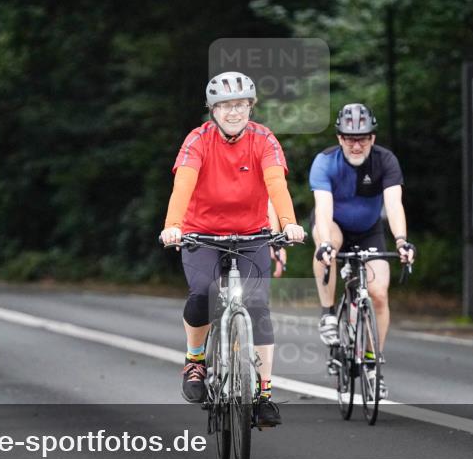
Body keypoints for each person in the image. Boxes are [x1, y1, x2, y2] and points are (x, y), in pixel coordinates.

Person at [160, 71, 306, 427]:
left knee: (258, 306)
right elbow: (183, 185)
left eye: (240, 105)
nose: (234, 112)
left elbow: (276, 183)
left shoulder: (263, 139)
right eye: (225, 106)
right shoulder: (198, 140)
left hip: (252, 234)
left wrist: (288, 222)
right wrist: (173, 226)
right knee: (203, 292)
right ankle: (196, 360)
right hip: (202, 234)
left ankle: (263, 394)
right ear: (213, 110)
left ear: (250, 107)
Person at [309, 103, 415, 398]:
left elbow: (393, 204)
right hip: (333, 225)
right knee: (327, 244)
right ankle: (328, 313)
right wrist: (326, 244)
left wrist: (402, 241)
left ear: (373, 138)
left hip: (369, 230)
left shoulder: (385, 161)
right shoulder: (325, 162)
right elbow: (323, 208)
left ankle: (371, 361)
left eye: (363, 138)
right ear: (339, 138)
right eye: (349, 139)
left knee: (378, 293)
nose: (356, 145)